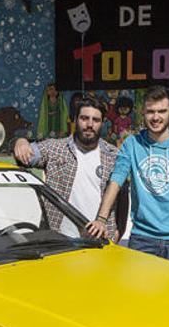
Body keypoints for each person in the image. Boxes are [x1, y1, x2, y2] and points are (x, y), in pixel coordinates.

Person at [86, 86, 169, 264]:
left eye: (161, 111)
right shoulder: (132, 145)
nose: (156, 117)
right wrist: (101, 220)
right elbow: (116, 181)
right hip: (142, 239)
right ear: (142, 112)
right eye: (150, 111)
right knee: (139, 292)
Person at [14, 96, 120, 240]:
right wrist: (20, 141)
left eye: (96, 120)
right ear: (75, 120)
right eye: (84, 118)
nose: (90, 124)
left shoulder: (113, 155)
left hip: (101, 237)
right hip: (60, 239)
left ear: (102, 123)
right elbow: (25, 155)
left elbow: (122, 197)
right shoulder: (55, 148)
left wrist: (118, 228)